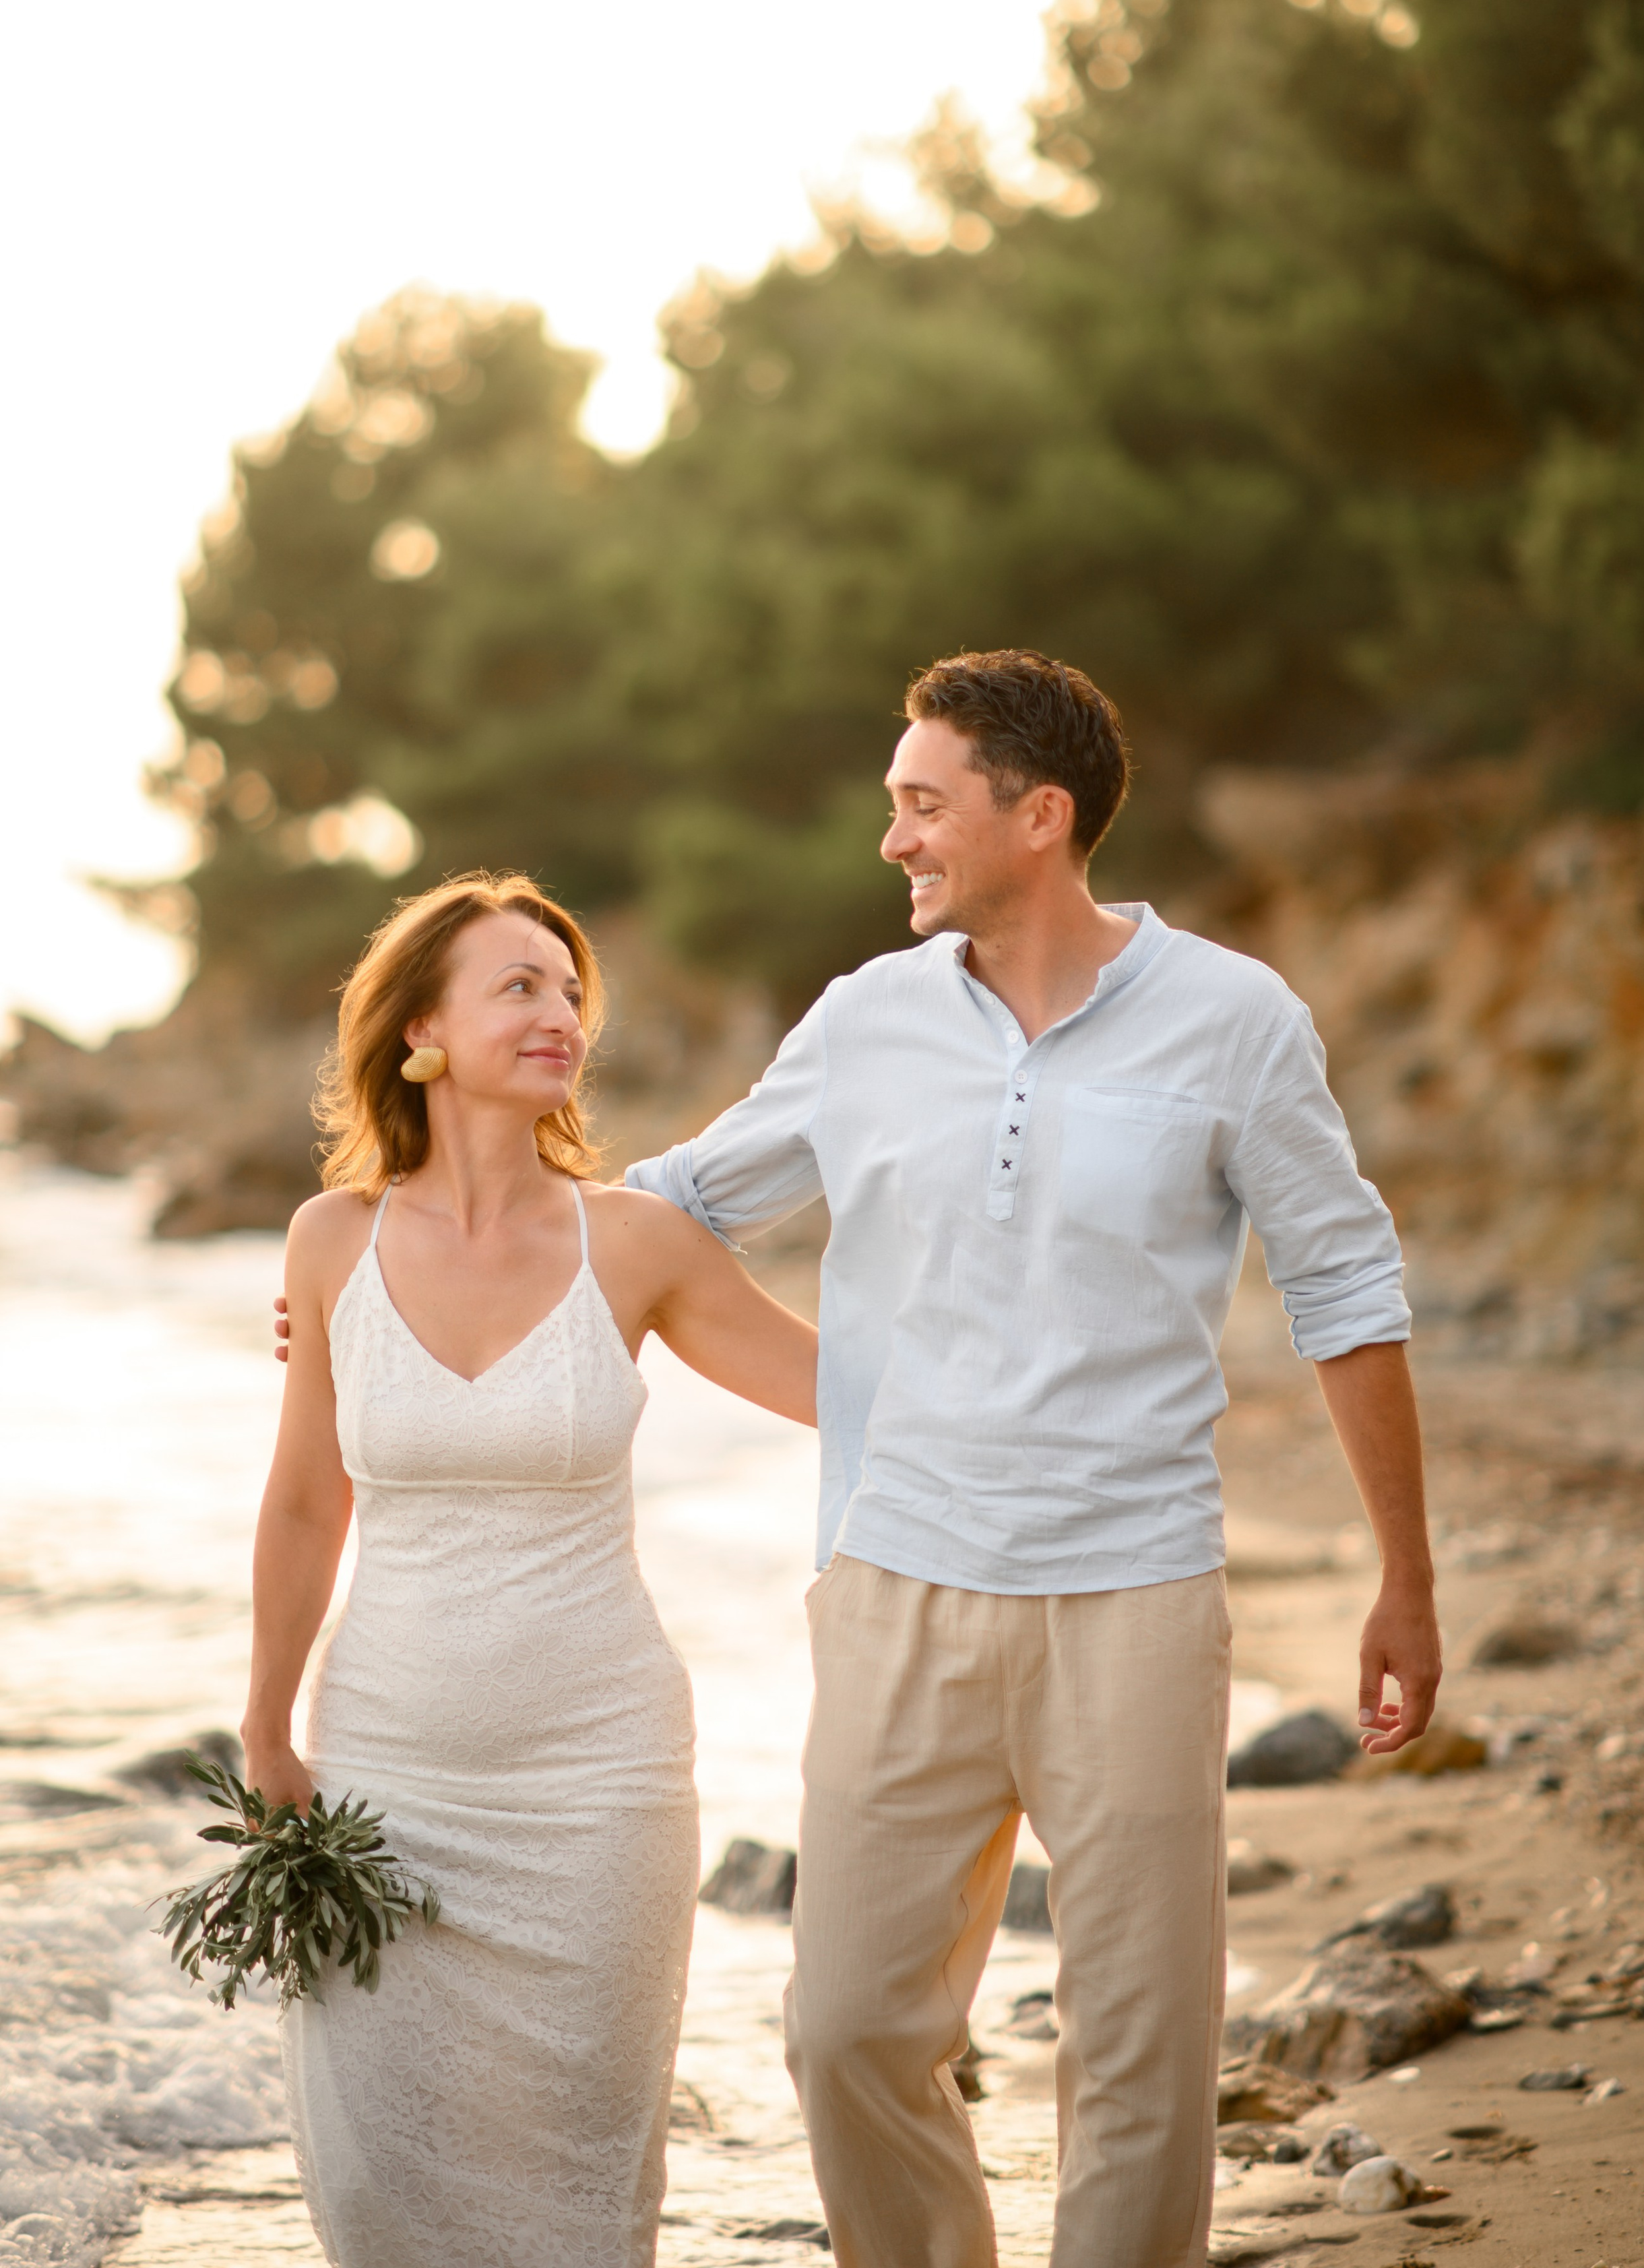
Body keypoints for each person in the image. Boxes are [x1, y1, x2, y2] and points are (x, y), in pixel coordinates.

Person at [624, 649, 1442, 2268]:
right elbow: (678, 1204)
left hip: (1132, 1595)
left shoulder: (1233, 1018)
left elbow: (1346, 1290)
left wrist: (1402, 1581)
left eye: (922, 804)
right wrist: (398, 1244)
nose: (893, 839)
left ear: (1038, 815)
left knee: (1138, 2050)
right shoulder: (864, 1020)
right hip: (895, 1585)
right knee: (845, 2028)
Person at [247, 869, 816, 2268]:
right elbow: (306, 1503)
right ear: (420, 1029)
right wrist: (265, 1725)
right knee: (383, 2181)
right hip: (386, 1777)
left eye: (570, 991)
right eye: (519, 986)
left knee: (578, 2180)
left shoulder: (634, 1241)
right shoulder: (331, 1242)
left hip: (598, 1787)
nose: (561, 1012)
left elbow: (851, 1391)